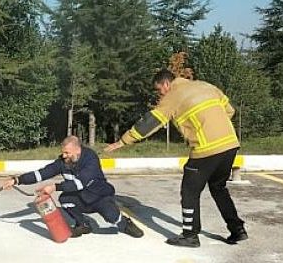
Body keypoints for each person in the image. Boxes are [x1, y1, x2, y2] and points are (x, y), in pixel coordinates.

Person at [104, 69, 247, 248]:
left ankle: (190, 235)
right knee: (219, 187)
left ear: (166, 84)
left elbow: (151, 122)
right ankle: (237, 230)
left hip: (206, 148)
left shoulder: (173, 96)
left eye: (159, 90)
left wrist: (123, 141)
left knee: (189, 191)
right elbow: (229, 110)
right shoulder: (206, 86)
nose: (159, 95)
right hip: (230, 144)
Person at [2, 136, 144, 239]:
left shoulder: (90, 158)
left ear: (78, 150)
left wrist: (55, 187)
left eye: (67, 153)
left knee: (112, 218)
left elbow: (79, 183)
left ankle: (125, 223)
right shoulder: (63, 161)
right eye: (63, 152)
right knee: (65, 199)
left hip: (99, 196)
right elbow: (42, 173)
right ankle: (82, 225)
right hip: (80, 197)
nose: (64, 156)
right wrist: (17, 180)